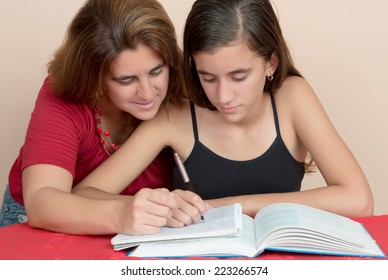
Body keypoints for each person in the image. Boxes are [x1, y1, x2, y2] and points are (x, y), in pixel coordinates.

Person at [73, 0, 373, 227]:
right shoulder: (176, 116)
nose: (223, 97)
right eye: (208, 77)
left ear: (271, 63)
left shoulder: (292, 97)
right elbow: (84, 195)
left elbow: (358, 200)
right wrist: (158, 207)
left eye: (238, 77)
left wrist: (236, 205)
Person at [0, 0, 188, 235]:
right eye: (126, 80)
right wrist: (124, 212)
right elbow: (41, 203)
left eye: (156, 71)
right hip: (36, 223)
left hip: (141, 227)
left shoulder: (183, 88)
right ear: (94, 75)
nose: (148, 93)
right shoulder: (63, 97)